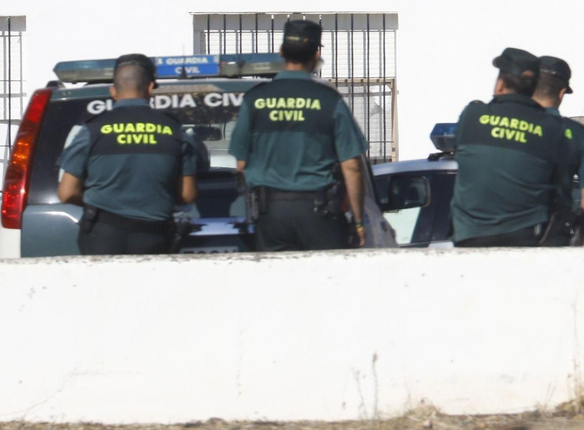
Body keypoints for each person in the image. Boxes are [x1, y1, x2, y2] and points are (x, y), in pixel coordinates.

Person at [231, 21, 369, 251]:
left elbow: (241, 165)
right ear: (316, 55)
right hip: (320, 214)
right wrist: (358, 221)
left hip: (270, 215)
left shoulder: (254, 99)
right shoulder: (329, 100)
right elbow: (352, 166)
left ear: (282, 52)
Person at [58, 53, 205, 255]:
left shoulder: (92, 130)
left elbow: (66, 193)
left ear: (113, 91)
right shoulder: (175, 131)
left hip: (102, 236)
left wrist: (103, 202)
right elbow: (187, 195)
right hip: (154, 236)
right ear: (150, 87)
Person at [450, 47, 571, 247]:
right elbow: (560, 184)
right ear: (534, 89)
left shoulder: (472, 116)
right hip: (526, 239)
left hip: (470, 239)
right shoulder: (552, 128)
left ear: (500, 85)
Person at [533, 55, 584, 243]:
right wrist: (580, 239)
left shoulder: (511, 124)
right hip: (553, 238)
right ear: (562, 93)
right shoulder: (574, 132)